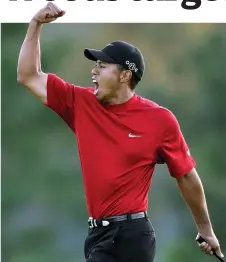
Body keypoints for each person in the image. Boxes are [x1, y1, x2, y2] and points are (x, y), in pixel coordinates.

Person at [17, 3, 224, 262]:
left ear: (125, 75)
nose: (94, 71)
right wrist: (35, 24)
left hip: (132, 235)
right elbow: (28, 75)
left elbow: (186, 177)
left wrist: (206, 230)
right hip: (96, 235)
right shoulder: (80, 103)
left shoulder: (160, 119)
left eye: (102, 66)